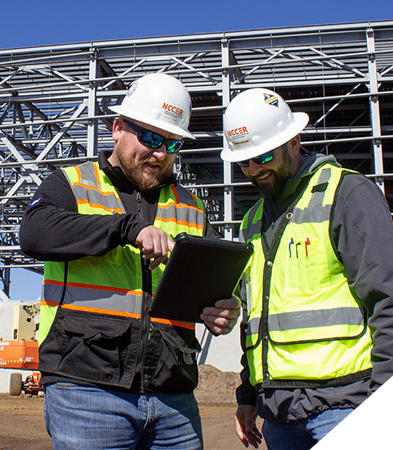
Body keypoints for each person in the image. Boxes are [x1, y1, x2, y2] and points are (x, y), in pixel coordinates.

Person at [20, 73, 241, 450]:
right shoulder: (71, 183)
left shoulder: (191, 206)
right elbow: (35, 232)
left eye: (171, 143)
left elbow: (205, 287)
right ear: (117, 128)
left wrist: (222, 310)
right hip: (86, 389)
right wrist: (126, 228)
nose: (160, 153)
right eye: (151, 138)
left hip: (174, 395)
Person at [220, 88, 393, 449]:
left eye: (262, 156)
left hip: (347, 409)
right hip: (280, 417)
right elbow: (257, 320)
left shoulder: (346, 193)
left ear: (294, 142)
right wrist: (248, 394)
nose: (253, 170)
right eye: (243, 162)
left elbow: (390, 301)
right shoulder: (251, 222)